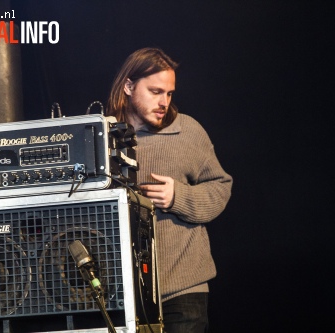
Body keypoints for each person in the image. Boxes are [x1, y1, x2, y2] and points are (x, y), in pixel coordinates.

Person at [106, 47, 233, 333]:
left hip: (183, 291)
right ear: (128, 86)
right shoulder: (101, 135)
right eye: (155, 91)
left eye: (170, 93)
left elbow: (221, 186)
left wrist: (179, 197)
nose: (164, 102)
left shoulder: (186, 130)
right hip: (121, 292)